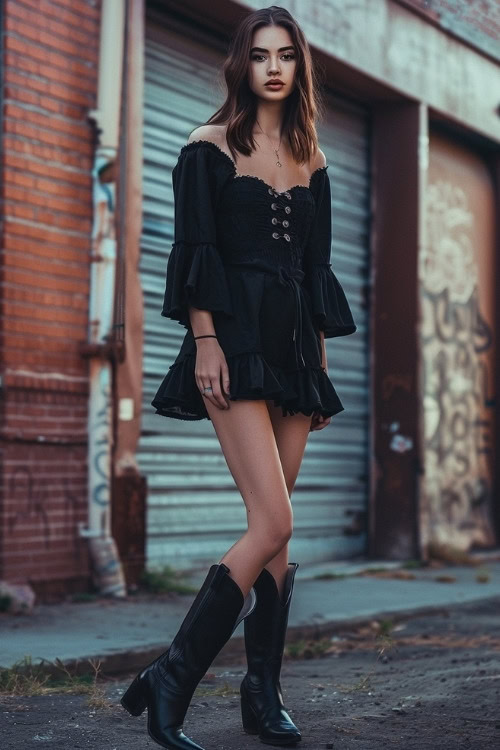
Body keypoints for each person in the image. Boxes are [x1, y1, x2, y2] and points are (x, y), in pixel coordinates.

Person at [121, 6, 357, 749]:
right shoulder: (207, 146)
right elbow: (196, 254)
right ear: (242, 65)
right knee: (274, 522)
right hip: (233, 341)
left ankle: (264, 696)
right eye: (261, 55)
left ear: (300, 66)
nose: (275, 67)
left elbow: (314, 270)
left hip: (292, 351)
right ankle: (172, 678)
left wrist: (318, 362)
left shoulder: (315, 160)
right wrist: (205, 342)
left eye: (287, 55)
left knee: (279, 543)